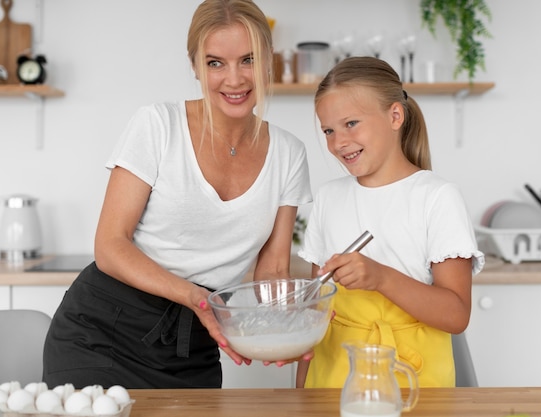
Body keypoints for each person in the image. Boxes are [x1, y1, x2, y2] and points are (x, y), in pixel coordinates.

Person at [42, 0, 312, 389]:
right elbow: (109, 246)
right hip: (103, 332)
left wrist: (291, 328)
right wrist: (199, 299)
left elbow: (272, 271)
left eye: (248, 60)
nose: (234, 79)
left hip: (192, 348)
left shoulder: (289, 154)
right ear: (195, 66)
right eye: (215, 62)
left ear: (269, 61)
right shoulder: (157, 125)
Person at [296, 57, 484, 388]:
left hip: (415, 385)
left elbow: (456, 315)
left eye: (351, 123)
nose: (338, 142)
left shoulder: (437, 197)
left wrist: (381, 277)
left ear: (394, 116)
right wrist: (301, 393)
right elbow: (315, 313)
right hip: (333, 380)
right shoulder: (328, 198)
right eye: (328, 130)